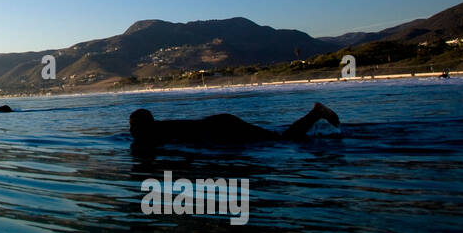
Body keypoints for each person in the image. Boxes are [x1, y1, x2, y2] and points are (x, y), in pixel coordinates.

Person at [129, 102, 339, 150]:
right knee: (279, 138)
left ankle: (316, 113)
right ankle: (316, 113)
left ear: (144, 125)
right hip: (220, 125)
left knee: (282, 139)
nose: (131, 130)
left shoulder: (155, 136)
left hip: (222, 128)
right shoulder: (158, 130)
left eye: (133, 126)